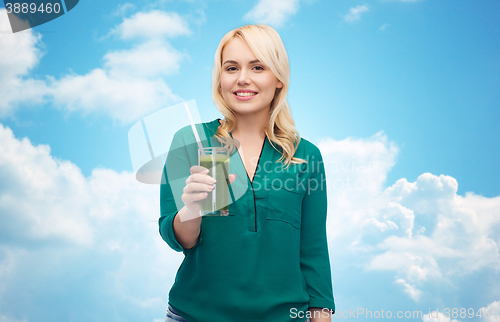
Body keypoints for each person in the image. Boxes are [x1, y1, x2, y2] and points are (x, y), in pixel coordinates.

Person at [159, 24, 335, 322]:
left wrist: (321, 314)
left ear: (278, 78)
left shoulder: (305, 157)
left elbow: (313, 247)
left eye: (257, 67)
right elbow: (179, 240)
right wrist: (191, 209)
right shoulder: (190, 141)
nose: (242, 79)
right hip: (195, 314)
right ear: (220, 79)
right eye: (231, 68)